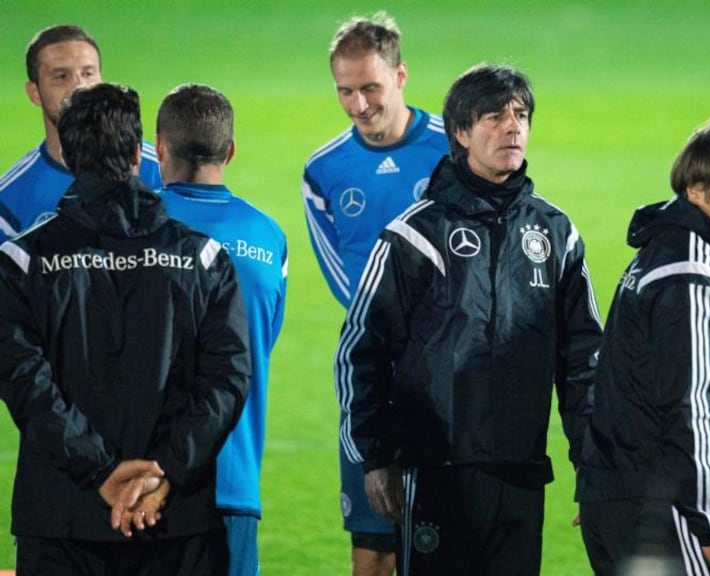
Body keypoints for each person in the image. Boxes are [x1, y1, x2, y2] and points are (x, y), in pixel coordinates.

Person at [336, 63, 603, 576]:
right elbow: (360, 351)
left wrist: (592, 463)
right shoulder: (414, 236)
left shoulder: (555, 234)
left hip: (521, 474)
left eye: (521, 115)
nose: (512, 127)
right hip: (436, 473)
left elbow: (585, 361)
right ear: (460, 132)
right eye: (494, 116)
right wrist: (375, 457)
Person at [0, 82, 250, 575]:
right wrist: (164, 475)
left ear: (69, 157)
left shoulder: (22, 263)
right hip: (174, 521)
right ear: (140, 153)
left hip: (61, 521)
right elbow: (228, 379)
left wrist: (101, 472)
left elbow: (26, 383)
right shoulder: (203, 259)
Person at [577, 119, 710, 576]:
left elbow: (626, 380)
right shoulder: (689, 274)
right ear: (696, 190)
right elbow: (688, 406)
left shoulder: (659, 252)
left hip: (623, 497)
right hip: (668, 511)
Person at [301, 13, 448, 575]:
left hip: (444, 362)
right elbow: (340, 273)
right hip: (372, 367)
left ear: (401, 76)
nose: (359, 104)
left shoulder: (452, 149)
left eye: (370, 88)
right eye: (345, 91)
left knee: (446, 538)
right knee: (372, 546)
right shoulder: (323, 169)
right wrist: (385, 330)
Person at [157, 83, 288, 576]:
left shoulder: (135, 230)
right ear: (230, 151)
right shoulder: (267, 238)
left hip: (144, 480)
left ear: (159, 148)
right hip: (234, 482)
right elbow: (259, 342)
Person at [0, 24, 161, 243]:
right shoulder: (10, 197)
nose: (79, 85)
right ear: (34, 92)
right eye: (61, 76)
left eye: (88, 73)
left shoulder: (161, 171)